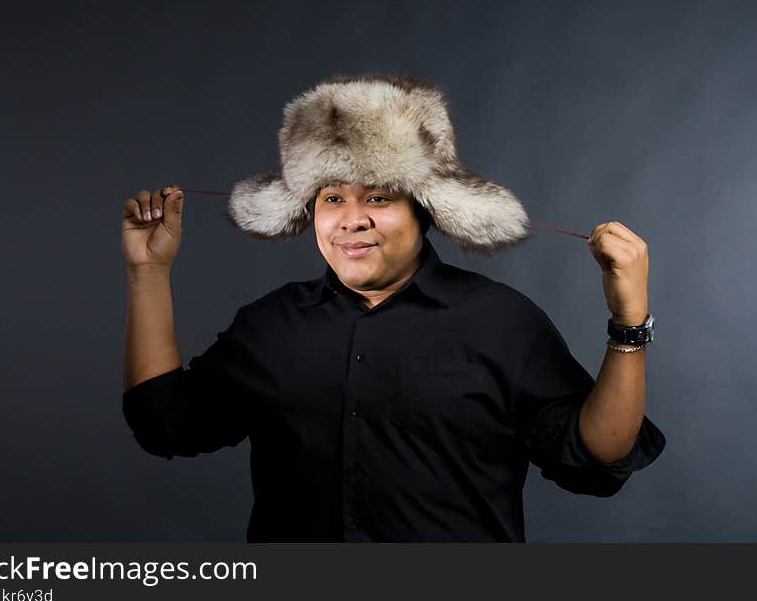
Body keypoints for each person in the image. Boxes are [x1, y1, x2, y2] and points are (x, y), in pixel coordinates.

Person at [121, 73, 665, 542]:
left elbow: (598, 456)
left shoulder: (503, 322)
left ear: (422, 211)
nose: (351, 219)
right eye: (332, 198)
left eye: (377, 197)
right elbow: (166, 424)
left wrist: (628, 324)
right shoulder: (270, 326)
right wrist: (149, 273)